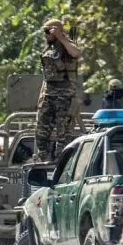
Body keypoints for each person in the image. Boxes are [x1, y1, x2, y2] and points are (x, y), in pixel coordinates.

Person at [35, 19, 83, 163]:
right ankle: (45, 160)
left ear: (56, 30)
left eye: (48, 31)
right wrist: (41, 96)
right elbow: (46, 76)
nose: (45, 35)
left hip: (64, 97)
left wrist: (61, 37)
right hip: (49, 96)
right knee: (41, 132)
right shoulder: (48, 49)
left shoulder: (67, 46)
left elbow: (76, 53)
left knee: (63, 133)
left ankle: (60, 163)